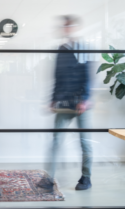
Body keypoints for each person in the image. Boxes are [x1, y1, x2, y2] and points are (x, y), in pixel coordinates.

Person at [38, 15, 93, 191]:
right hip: (64, 103)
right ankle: (49, 179)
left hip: (80, 104)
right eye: (65, 26)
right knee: (56, 141)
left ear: (76, 27)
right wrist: (53, 99)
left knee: (84, 142)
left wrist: (85, 99)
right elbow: (57, 77)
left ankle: (86, 178)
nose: (66, 29)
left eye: (69, 26)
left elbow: (88, 76)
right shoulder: (61, 50)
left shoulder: (83, 48)